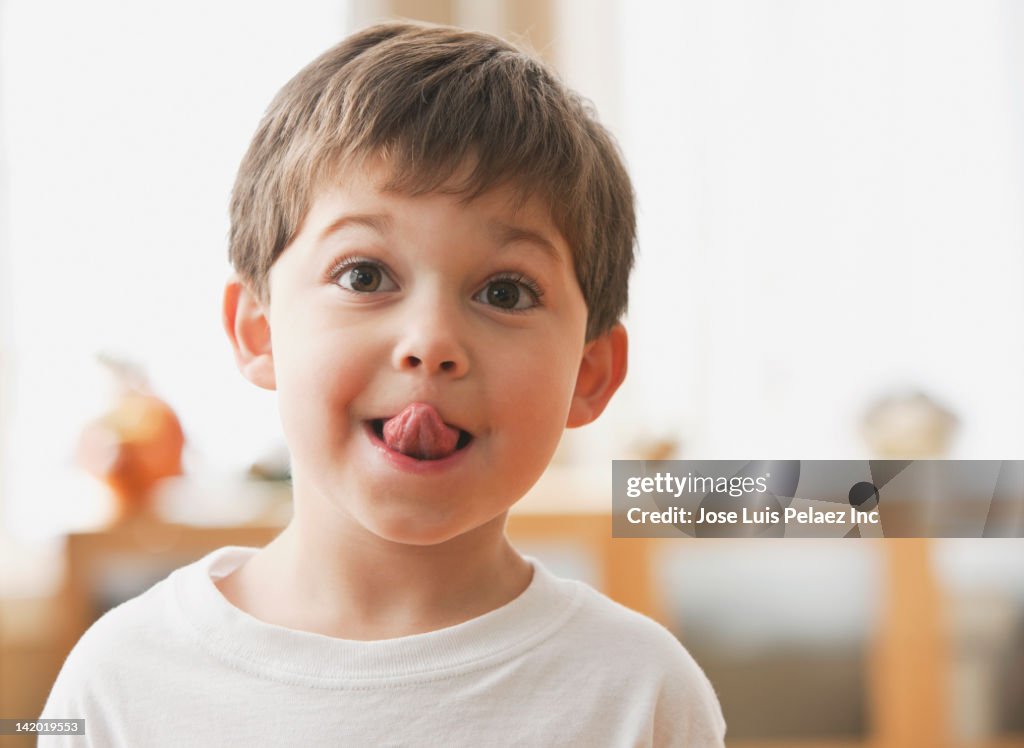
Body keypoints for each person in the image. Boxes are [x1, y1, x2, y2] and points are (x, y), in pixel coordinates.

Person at [41, 21, 726, 746]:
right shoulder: (121, 680)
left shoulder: (641, 692)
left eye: (505, 293)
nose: (430, 343)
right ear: (258, 331)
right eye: (363, 276)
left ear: (590, 374)